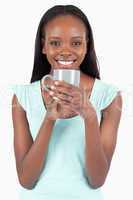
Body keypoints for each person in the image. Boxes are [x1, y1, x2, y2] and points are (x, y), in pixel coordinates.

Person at [12, 4, 122, 200]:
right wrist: (50, 119)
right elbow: (26, 180)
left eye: (76, 43)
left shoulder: (109, 97)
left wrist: (89, 116)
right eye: (55, 43)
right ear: (43, 46)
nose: (65, 51)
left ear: (86, 45)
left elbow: (97, 180)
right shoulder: (22, 97)